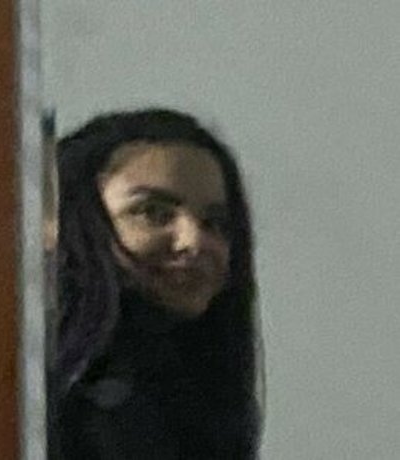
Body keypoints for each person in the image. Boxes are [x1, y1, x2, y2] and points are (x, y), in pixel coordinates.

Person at [48, 108, 264, 459]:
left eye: (216, 223)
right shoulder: (30, 392)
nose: (193, 241)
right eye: (153, 212)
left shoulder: (195, 400)